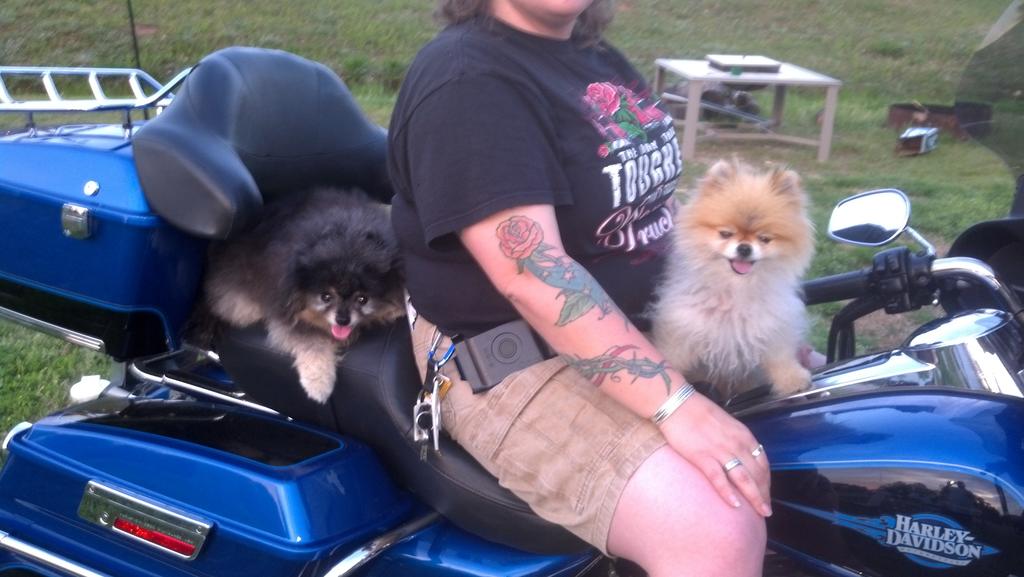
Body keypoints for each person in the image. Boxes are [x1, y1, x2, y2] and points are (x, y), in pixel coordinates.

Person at [388, 1, 771, 575]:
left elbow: (648, 213)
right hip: (510, 357)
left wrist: (745, 316)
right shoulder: (469, 80)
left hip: (640, 325)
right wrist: (676, 404)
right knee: (715, 524)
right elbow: (533, 276)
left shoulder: (589, 55)